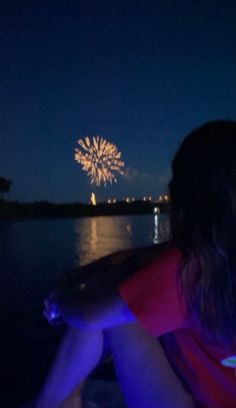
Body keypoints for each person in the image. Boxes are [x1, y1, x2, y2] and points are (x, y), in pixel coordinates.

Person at [35, 120, 236, 408]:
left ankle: (57, 402)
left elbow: (89, 315)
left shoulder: (185, 268)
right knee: (128, 291)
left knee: (113, 307)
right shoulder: (216, 255)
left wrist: (60, 300)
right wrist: (75, 274)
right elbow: (133, 257)